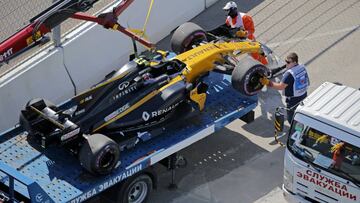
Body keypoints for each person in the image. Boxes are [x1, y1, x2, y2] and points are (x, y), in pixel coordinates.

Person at [260, 52, 309, 123]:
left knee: (291, 118)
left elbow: (280, 87)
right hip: (303, 94)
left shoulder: (289, 74)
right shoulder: (301, 66)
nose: (286, 64)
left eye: (288, 62)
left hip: (293, 100)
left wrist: (267, 82)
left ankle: (294, 130)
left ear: (295, 62)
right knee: (301, 113)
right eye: (286, 61)